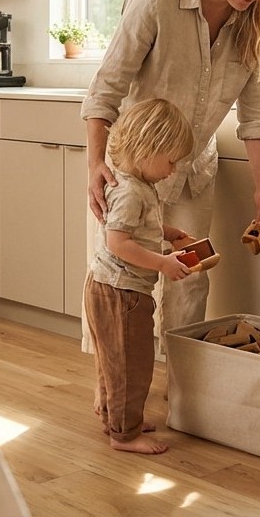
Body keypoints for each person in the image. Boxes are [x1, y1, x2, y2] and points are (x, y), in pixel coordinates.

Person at [81, 0, 260, 352]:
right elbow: (107, 86)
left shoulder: (256, 25)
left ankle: (182, 387)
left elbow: (257, 115)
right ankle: (117, 384)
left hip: (194, 170)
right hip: (132, 169)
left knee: (191, 280)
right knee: (121, 281)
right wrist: (95, 163)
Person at [87, 97, 197, 455]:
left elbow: (136, 227)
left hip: (107, 287)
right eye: (171, 160)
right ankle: (126, 435)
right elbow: (119, 242)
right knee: (131, 366)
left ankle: (117, 418)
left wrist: (166, 232)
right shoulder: (132, 190)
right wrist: (162, 263)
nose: (173, 169)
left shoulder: (133, 183)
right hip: (122, 293)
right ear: (148, 148)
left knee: (113, 361)